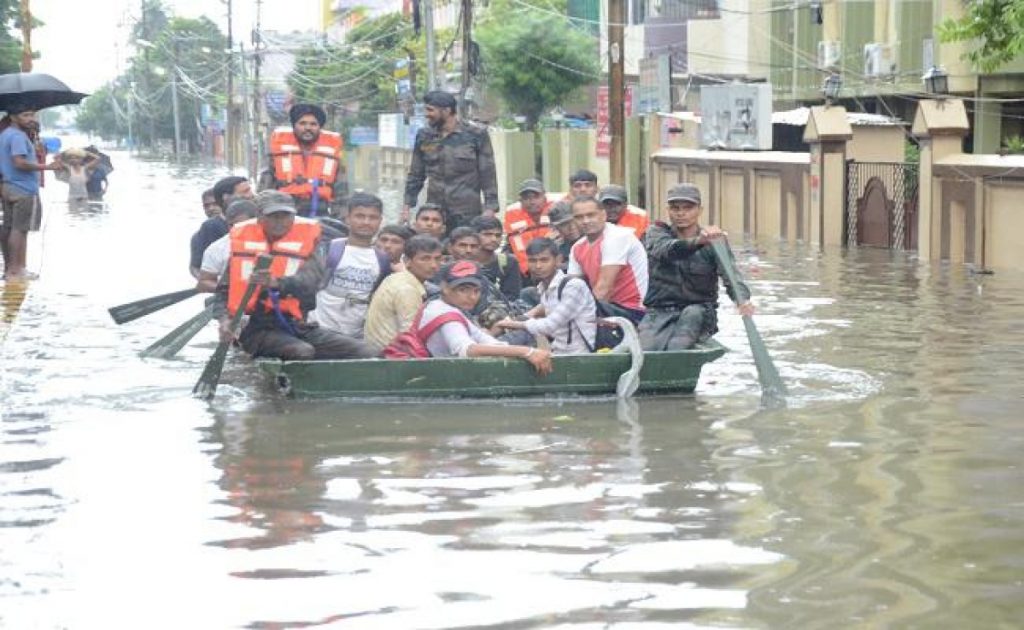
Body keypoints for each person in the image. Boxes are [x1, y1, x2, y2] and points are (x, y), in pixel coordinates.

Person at [207, 190, 372, 360]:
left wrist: (276, 283)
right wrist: (224, 321)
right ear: (260, 217)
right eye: (274, 216)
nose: (280, 222)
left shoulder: (308, 244)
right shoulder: (242, 247)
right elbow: (223, 292)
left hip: (298, 325)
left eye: (286, 216)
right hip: (256, 328)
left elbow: (311, 283)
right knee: (303, 351)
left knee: (367, 351)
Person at [641, 183, 753, 351]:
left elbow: (731, 275)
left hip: (699, 311)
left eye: (688, 208)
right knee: (645, 350)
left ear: (699, 210)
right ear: (668, 210)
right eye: (675, 208)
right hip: (659, 311)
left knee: (679, 342)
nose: (681, 213)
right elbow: (668, 250)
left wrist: (742, 300)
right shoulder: (656, 232)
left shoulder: (715, 242)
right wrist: (699, 241)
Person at [415, 260, 552, 374]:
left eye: (476, 291)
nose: (472, 297)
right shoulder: (445, 315)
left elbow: (485, 339)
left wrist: (524, 351)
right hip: (448, 376)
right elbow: (467, 349)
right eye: (463, 290)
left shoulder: (443, 306)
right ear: (445, 288)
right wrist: (526, 352)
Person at [402, 90, 498, 231]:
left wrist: (490, 208)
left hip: (467, 214)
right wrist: (407, 206)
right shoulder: (425, 136)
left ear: (447, 111)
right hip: (435, 214)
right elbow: (416, 174)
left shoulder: (476, 135)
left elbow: (488, 174)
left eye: (430, 110)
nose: (426, 114)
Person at [307, 192, 391, 338]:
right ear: (347, 218)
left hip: (357, 334)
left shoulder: (382, 259)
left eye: (373, 217)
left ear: (380, 221)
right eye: (360, 216)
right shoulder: (328, 250)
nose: (366, 222)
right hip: (320, 329)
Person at [496, 238, 596, 354]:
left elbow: (550, 325)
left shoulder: (573, 286)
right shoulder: (543, 288)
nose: (538, 266)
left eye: (544, 260)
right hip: (559, 353)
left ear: (558, 260)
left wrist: (511, 324)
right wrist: (520, 318)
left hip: (581, 355)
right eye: (533, 261)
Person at [0, 105, 60, 279]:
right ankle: (16, 270)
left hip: (9, 187)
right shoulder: (18, 136)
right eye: (25, 115)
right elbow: (19, 162)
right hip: (24, 189)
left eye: (32, 115)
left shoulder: (5, 134)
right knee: (20, 230)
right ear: (13, 117)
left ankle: (11, 269)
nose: (31, 119)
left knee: (10, 228)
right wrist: (48, 167)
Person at [568, 195, 648, 325]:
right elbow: (572, 289)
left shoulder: (617, 237)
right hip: (603, 307)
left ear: (603, 215)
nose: (585, 221)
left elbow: (604, 289)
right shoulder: (577, 247)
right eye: (579, 217)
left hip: (631, 311)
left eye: (591, 215)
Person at [364, 234, 444, 354]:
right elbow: (410, 340)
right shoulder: (407, 289)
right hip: (390, 358)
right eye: (425, 259)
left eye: (437, 259)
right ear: (407, 261)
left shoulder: (396, 278)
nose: (433, 265)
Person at [264, 103, 344, 217]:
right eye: (302, 123)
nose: (308, 128)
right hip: (285, 215)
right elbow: (265, 189)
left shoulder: (332, 156)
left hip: (321, 214)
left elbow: (342, 192)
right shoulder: (277, 155)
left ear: (319, 127)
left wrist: (339, 218)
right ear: (294, 126)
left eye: (313, 124)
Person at [189, 176, 255, 278]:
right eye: (245, 191)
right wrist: (214, 283)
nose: (251, 195)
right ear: (227, 197)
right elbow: (197, 267)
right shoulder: (211, 227)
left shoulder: (261, 217)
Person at [196, 198, 260, 292]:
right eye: (231, 225)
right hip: (230, 297)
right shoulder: (217, 248)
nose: (236, 229)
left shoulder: (273, 240)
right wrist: (226, 289)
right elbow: (203, 283)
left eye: (241, 225)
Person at [503, 178, 557, 276]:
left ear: (544, 198)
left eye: (536, 197)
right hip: (528, 272)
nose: (531, 202)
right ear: (520, 201)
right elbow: (518, 248)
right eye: (526, 198)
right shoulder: (513, 217)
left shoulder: (556, 210)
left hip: (555, 268)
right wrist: (530, 272)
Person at [469, 215, 521, 302]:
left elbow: (512, 298)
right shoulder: (465, 261)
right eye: (487, 234)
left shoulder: (508, 262)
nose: (494, 239)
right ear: (474, 236)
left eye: (498, 235)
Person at [547, 201, 581, 269]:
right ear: (556, 228)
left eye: (574, 220)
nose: (572, 227)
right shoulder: (556, 247)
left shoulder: (594, 237)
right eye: (564, 224)